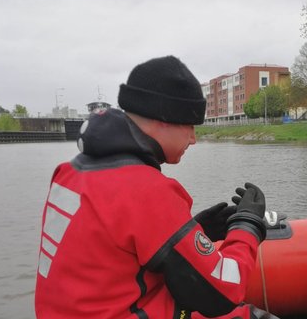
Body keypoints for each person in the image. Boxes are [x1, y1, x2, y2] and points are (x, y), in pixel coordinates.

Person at [35, 56, 272, 319]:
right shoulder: (147, 191)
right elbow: (222, 293)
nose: (194, 139)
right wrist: (247, 225)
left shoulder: (68, 172)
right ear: (164, 119)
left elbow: (108, 252)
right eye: (190, 125)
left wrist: (194, 229)